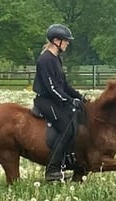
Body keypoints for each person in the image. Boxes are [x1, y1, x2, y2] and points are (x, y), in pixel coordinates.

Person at [32, 23, 86, 181]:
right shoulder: (45, 60)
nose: (68, 43)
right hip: (46, 101)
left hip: (56, 99)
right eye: (66, 40)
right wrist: (69, 101)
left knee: (77, 119)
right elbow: (51, 88)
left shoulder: (56, 59)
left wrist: (80, 97)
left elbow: (64, 85)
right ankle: (53, 170)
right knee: (66, 128)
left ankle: (71, 160)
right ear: (56, 41)